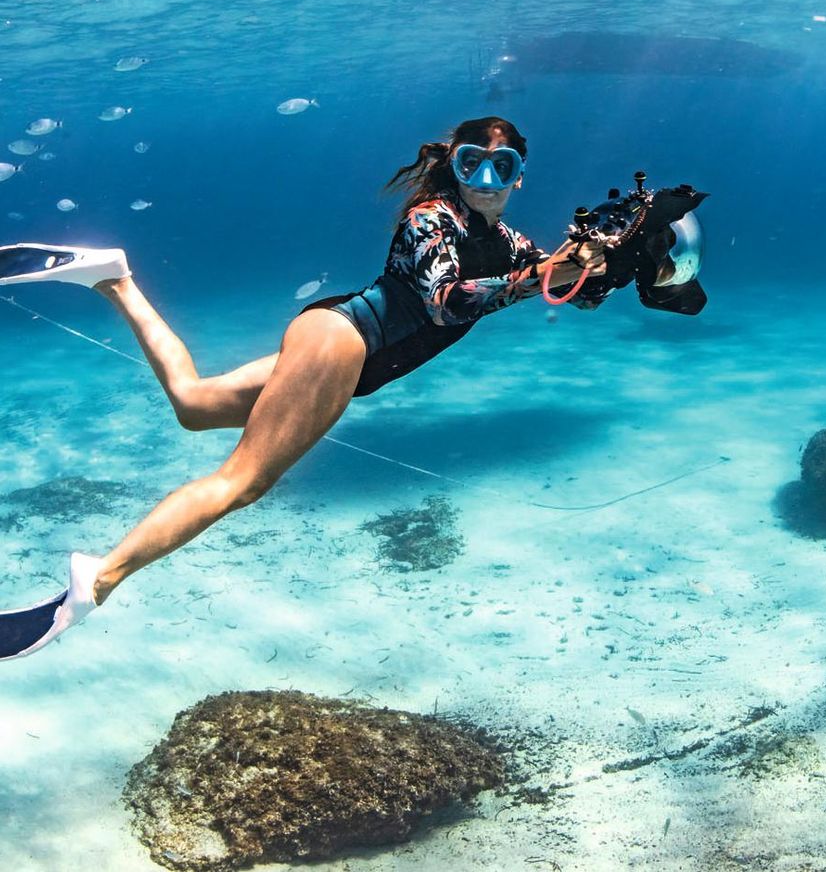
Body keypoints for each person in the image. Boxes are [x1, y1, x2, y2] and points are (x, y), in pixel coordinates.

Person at [0, 116, 610, 659]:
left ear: (520, 177)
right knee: (241, 482)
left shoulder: (509, 244)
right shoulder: (431, 219)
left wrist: (603, 265)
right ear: (452, 165)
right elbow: (447, 302)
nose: (484, 178)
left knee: (193, 404)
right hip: (341, 344)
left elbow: (560, 288)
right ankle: (93, 584)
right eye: (470, 161)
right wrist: (539, 276)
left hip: (339, 348)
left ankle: (114, 279)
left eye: (501, 166)